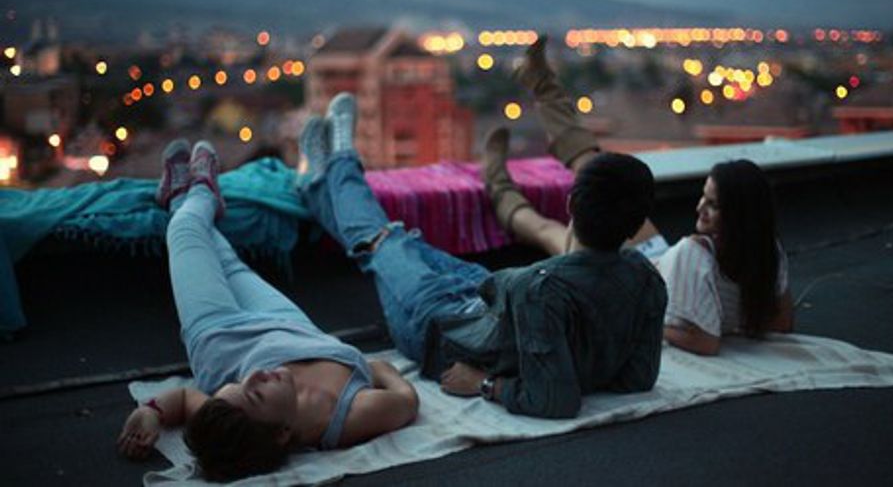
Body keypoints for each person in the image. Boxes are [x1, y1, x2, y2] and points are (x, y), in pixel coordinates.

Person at [297, 93, 668, 419]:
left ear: (569, 205)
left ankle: (340, 160)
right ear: (637, 226)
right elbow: (638, 377)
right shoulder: (646, 278)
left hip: (436, 328)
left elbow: (556, 399)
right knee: (403, 241)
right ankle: (316, 183)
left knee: (379, 241)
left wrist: (487, 384)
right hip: (483, 302)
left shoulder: (540, 291)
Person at [117, 140, 418, 482]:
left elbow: (186, 397)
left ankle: (192, 193)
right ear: (283, 434)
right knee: (222, 255)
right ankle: (189, 192)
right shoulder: (350, 416)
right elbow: (402, 394)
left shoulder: (234, 411)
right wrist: (375, 372)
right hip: (287, 325)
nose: (255, 375)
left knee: (186, 232)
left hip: (216, 335)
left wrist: (152, 411)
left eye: (240, 383)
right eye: (257, 394)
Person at [482, 35, 794, 356]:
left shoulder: (699, 253)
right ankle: (541, 83)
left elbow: (706, 341)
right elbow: (780, 323)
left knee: (546, 229)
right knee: (598, 173)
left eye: (714, 205)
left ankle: (496, 180)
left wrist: (652, 322)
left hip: (619, 274)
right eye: (704, 197)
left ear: (739, 214)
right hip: (654, 258)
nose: (700, 207)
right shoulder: (767, 251)